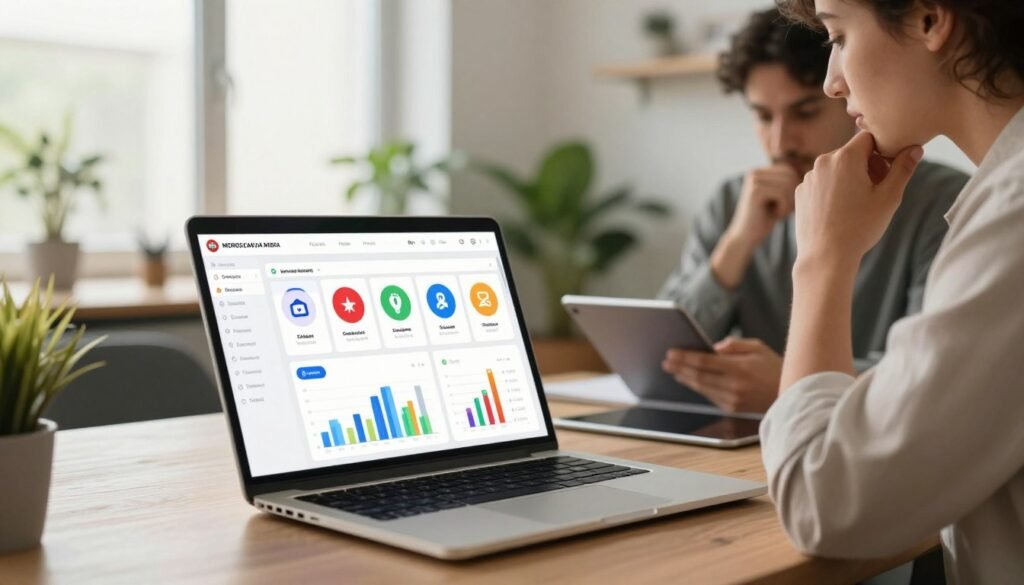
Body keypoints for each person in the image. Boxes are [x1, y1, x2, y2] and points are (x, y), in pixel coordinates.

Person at [760, 0, 1024, 582]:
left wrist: (823, 259)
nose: (832, 80)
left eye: (839, 35)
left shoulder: (1015, 218)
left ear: (932, 20)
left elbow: (821, 503)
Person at [657, 7, 968, 414]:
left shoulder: (944, 202)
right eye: (763, 116)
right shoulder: (733, 202)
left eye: (803, 113)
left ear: (846, 97)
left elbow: (932, 376)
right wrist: (735, 245)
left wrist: (787, 383)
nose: (780, 141)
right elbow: (661, 360)